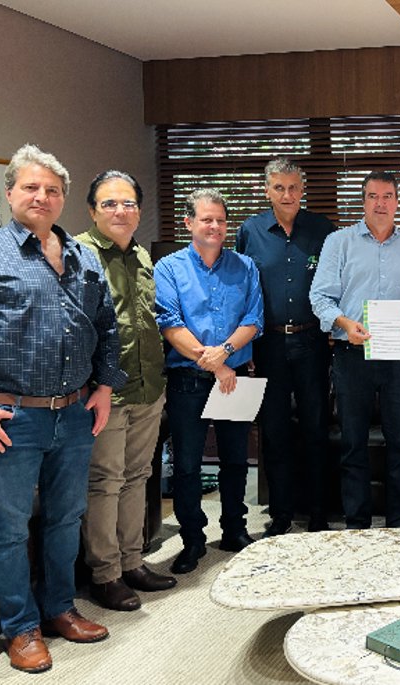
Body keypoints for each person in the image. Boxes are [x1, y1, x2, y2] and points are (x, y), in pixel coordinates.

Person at [0, 144, 126, 673]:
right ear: (11, 193)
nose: (42, 197)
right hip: (10, 416)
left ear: (63, 198)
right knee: (9, 529)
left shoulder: (83, 256)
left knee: (66, 518)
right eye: (31, 187)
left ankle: (60, 608)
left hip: (75, 413)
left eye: (53, 190)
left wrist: (104, 387)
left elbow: (107, 327)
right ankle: (20, 628)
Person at [77, 171, 176, 612]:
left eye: (129, 203)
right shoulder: (79, 255)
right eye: (110, 203)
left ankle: (133, 562)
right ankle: (106, 574)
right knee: (105, 482)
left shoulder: (141, 256)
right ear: (93, 210)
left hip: (148, 387)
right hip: (105, 394)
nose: (121, 211)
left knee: (138, 476)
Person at [309, 171, 400, 529]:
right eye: (373, 196)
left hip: (397, 355)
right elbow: (320, 296)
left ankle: (398, 520)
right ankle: (357, 523)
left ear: (397, 201)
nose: (380, 203)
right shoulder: (338, 242)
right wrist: (345, 324)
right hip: (352, 355)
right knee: (353, 443)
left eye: (387, 196)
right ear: (363, 201)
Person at [154, 188, 264, 574]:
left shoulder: (245, 266)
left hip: (236, 377)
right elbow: (170, 324)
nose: (215, 226)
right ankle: (193, 540)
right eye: (206, 219)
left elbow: (254, 320)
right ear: (189, 223)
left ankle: (234, 530)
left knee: (236, 461)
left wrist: (226, 353)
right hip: (188, 381)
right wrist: (216, 365)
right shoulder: (168, 268)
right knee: (187, 465)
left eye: (220, 219)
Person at [236, 158, 336, 536]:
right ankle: (280, 514)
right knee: (275, 433)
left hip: (313, 342)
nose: (287, 194)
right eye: (279, 187)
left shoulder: (323, 230)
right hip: (270, 344)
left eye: (294, 187)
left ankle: (318, 513)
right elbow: (241, 288)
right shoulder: (250, 231)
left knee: (316, 430)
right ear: (267, 191)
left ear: (302, 189)